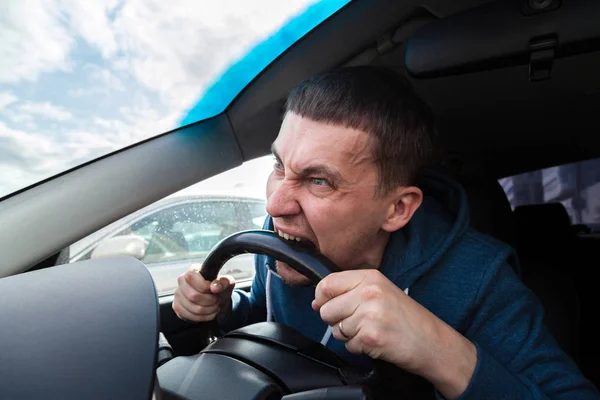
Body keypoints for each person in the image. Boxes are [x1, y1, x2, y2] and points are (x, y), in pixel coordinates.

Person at [172, 66, 599, 399]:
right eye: (279, 166)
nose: (275, 205)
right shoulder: (281, 235)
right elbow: (270, 325)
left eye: (319, 181)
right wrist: (225, 309)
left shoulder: (479, 280)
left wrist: (435, 347)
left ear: (397, 209)